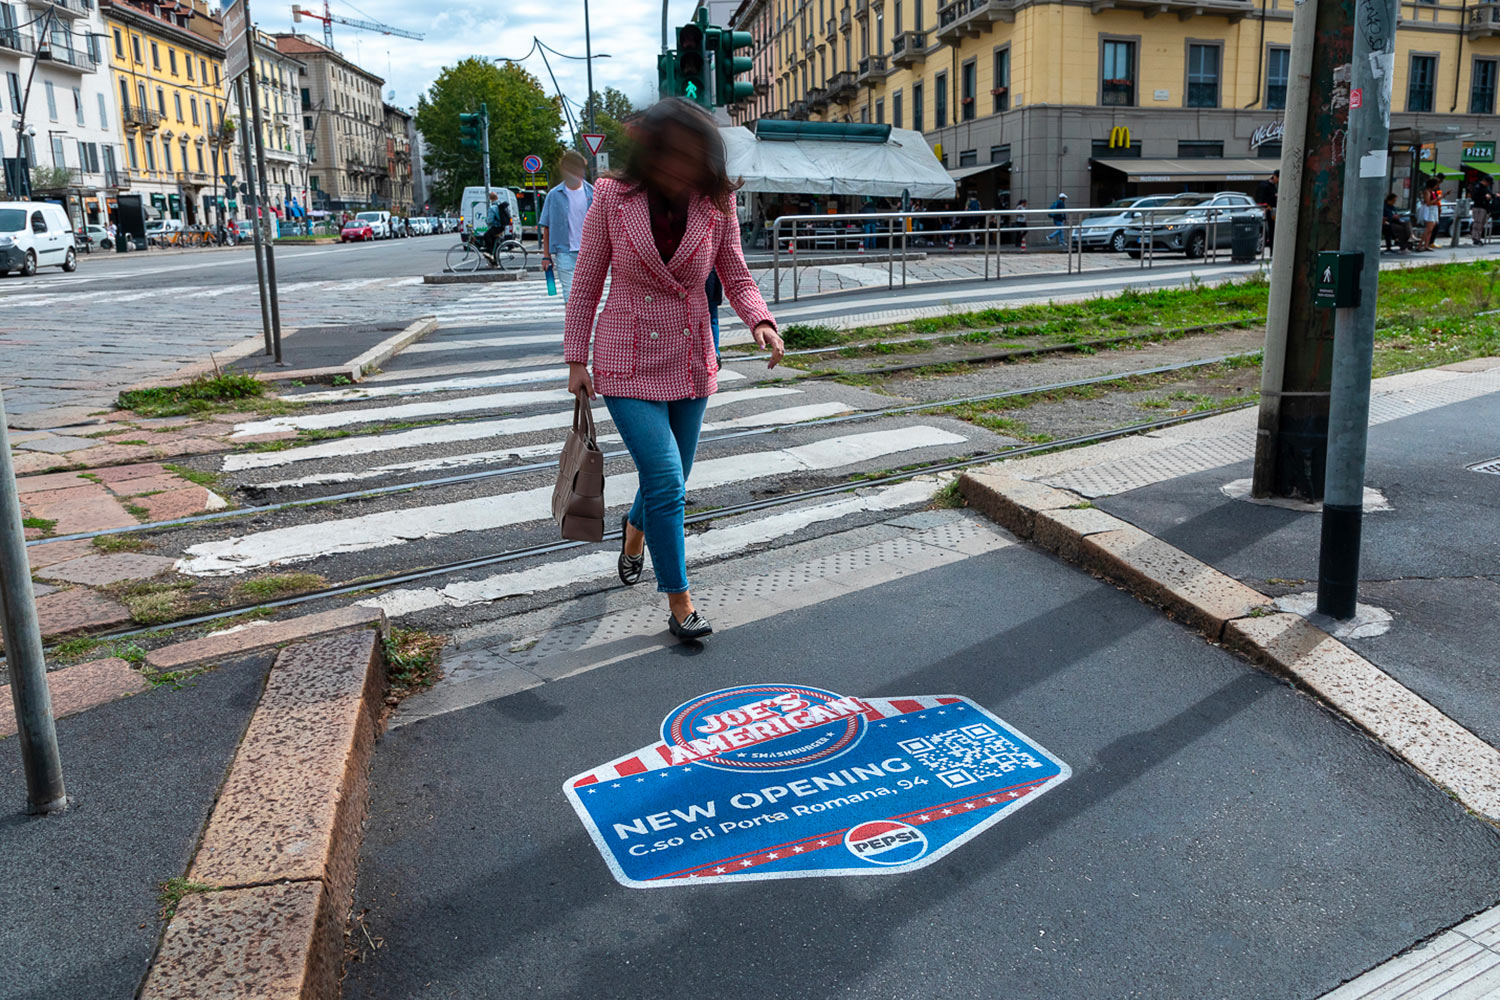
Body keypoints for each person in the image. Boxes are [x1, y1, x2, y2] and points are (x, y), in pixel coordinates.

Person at [564, 98, 784, 641]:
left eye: (691, 155)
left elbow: (734, 270)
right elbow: (587, 280)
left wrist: (760, 320)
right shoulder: (612, 197)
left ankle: (635, 528)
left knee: (671, 479)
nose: (680, 165)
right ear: (653, 151)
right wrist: (576, 358)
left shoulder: (716, 200)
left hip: (689, 356)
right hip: (625, 358)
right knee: (665, 479)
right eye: (672, 153)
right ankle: (680, 602)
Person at [539, 149, 594, 301]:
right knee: (570, 296)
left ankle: (582, 318)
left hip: (590, 253)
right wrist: (546, 256)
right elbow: (547, 227)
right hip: (565, 253)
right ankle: (571, 317)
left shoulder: (593, 194)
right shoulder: (554, 195)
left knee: (587, 297)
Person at [1255, 170, 1279, 252]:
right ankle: (1271, 251)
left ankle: (1272, 251)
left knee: (1273, 232)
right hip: (1268, 210)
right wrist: (1274, 197)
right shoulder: (1265, 186)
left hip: (1272, 210)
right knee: (1270, 232)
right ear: (1275, 177)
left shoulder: (1273, 186)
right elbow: (1261, 199)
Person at [1416, 177, 1441, 251]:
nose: (1437, 186)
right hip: (1429, 210)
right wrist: (1438, 199)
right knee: (1428, 229)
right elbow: (1428, 203)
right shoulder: (1427, 192)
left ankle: (1426, 245)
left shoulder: (1432, 192)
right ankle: (1420, 245)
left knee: (1430, 230)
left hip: (1434, 210)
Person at [1470, 176, 1492, 246]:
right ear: (1485, 181)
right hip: (1478, 207)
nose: (1488, 184)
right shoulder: (1478, 187)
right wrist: (1484, 197)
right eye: (1488, 183)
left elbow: (1490, 194)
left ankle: (1478, 238)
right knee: (1477, 223)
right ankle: (1475, 238)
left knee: (1481, 224)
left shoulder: (1486, 188)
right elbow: (1474, 197)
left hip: (1484, 207)